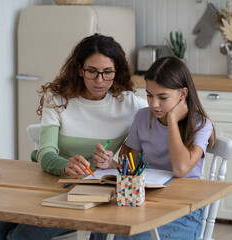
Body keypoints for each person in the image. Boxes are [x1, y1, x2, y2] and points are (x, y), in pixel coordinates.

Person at [0, 33, 147, 240]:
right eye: (92, 71)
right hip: (44, 184)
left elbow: (166, 117)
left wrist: (114, 163)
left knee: (21, 236)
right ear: (80, 70)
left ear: (117, 71)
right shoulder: (58, 98)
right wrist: (65, 166)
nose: (100, 80)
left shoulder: (130, 105)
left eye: (107, 72)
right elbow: (45, 153)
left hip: (85, 196)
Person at [92, 56, 215, 240]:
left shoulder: (201, 124)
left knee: (129, 237)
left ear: (183, 94)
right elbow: (131, 168)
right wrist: (111, 163)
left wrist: (172, 120)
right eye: (149, 95)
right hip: (146, 204)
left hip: (184, 211)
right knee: (102, 230)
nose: (154, 104)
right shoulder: (142, 117)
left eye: (162, 97)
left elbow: (180, 169)